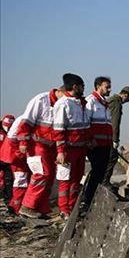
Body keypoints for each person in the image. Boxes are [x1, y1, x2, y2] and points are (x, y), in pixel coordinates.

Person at [17, 76, 69, 218]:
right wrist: (23, 142)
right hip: (37, 145)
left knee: (50, 176)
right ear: (59, 91)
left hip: (51, 147)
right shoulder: (40, 100)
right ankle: (27, 206)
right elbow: (26, 122)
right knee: (41, 174)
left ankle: (41, 208)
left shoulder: (62, 104)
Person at [52, 74, 91, 218]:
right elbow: (59, 130)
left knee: (76, 179)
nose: (84, 89)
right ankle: (64, 209)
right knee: (65, 180)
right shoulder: (63, 104)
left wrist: (89, 140)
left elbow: (85, 125)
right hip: (68, 150)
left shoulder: (81, 104)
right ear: (75, 87)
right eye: (82, 86)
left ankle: (73, 207)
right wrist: (61, 151)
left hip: (81, 149)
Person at [82, 76, 114, 210]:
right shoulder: (91, 102)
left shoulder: (104, 104)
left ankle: (94, 199)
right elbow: (85, 122)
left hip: (105, 145)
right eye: (107, 87)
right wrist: (90, 139)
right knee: (96, 172)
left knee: (101, 173)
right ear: (98, 86)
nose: (109, 89)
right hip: (95, 145)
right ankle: (87, 200)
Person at [103, 86, 129, 185]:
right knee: (112, 158)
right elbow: (115, 122)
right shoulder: (116, 102)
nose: (128, 101)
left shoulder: (112, 100)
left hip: (105, 135)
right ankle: (104, 183)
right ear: (125, 95)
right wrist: (115, 140)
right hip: (108, 136)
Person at [0, 117, 28, 213]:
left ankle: (9, 200)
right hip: (7, 156)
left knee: (10, 179)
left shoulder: (12, 132)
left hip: (9, 157)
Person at [0, 115, 14, 204]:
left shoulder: (13, 133)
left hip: (7, 159)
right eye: (7, 126)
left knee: (9, 179)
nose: (8, 129)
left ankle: (7, 198)